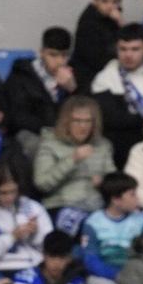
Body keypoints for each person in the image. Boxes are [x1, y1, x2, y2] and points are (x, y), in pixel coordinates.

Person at [91, 23, 143, 167]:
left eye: (135, 49)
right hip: (124, 151)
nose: (128, 55)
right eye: (123, 49)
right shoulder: (105, 79)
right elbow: (114, 121)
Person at [34, 94, 115, 231]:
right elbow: (42, 184)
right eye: (77, 121)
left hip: (96, 207)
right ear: (66, 122)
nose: (83, 126)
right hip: (61, 206)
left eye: (88, 121)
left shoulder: (103, 145)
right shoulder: (50, 145)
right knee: (91, 228)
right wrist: (72, 160)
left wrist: (104, 182)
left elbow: (114, 181)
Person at [81, 171, 143, 284]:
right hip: (103, 277)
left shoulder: (141, 221)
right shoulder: (93, 222)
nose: (137, 199)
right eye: (132, 194)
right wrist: (116, 274)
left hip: (134, 275)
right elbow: (90, 260)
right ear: (116, 199)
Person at [2, 27, 76, 144]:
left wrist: (73, 90)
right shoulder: (21, 76)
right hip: (32, 134)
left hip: (63, 134)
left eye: (64, 55)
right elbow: (18, 118)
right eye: (53, 55)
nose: (60, 62)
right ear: (42, 52)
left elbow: (85, 114)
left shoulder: (72, 75)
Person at [0, 170, 51, 275]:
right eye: (3, 193)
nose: (9, 197)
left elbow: (49, 245)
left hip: (33, 265)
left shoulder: (31, 206)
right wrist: (12, 237)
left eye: (13, 191)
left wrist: (35, 233)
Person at [73, 0, 125, 91]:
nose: (110, 6)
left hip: (107, 72)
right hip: (89, 78)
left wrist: (120, 23)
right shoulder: (88, 23)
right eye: (105, 1)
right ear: (95, 1)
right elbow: (96, 59)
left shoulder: (113, 19)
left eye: (114, 2)